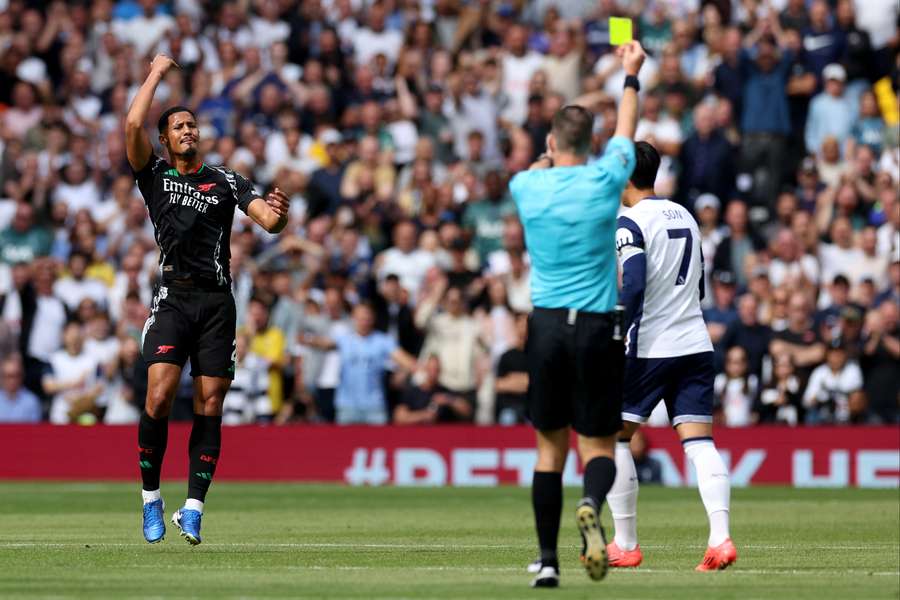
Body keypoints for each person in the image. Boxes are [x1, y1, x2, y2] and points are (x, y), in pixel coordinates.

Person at [125, 54, 290, 546]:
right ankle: (151, 499)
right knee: (158, 395)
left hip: (218, 304)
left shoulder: (225, 180)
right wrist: (156, 73)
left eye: (192, 125)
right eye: (178, 126)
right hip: (174, 298)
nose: (188, 131)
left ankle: (193, 508)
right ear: (164, 139)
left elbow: (268, 221)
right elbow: (134, 121)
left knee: (211, 402)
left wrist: (280, 216)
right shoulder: (152, 175)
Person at [511, 41, 645, 588]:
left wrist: (547, 152)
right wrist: (629, 74)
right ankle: (591, 502)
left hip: (544, 325)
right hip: (595, 325)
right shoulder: (605, 178)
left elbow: (541, 163)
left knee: (549, 449)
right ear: (591, 144)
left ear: (548, 143)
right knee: (600, 445)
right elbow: (627, 132)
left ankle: (547, 561)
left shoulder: (525, 185)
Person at [608, 141, 737, 572]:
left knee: (614, 438)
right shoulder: (684, 213)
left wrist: (620, 327)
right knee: (700, 445)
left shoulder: (629, 221)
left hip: (648, 348)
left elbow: (636, 281)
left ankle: (625, 544)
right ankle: (721, 538)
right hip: (695, 343)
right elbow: (699, 285)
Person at [0, 354, 42, 423]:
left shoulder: (32, 401)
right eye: (8, 376)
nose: (12, 380)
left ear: (22, 376)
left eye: (16, 375)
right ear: (2, 377)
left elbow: (35, 431)